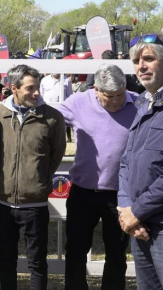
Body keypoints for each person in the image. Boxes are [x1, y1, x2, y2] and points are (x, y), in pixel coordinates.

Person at [59, 64, 136, 290]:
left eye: (119, 94)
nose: (115, 101)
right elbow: (49, 123)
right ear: (96, 90)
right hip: (83, 191)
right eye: (109, 96)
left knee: (117, 252)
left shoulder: (137, 102)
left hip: (120, 194)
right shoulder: (77, 102)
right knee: (75, 250)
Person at [0, 64, 67, 290]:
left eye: (38, 88)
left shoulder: (52, 118)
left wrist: (38, 179)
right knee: (6, 262)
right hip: (3, 203)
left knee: (37, 263)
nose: (36, 93)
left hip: (35, 205)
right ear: (14, 88)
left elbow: (56, 155)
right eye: (30, 88)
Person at [118, 34, 163, 289]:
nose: (141, 66)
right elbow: (126, 161)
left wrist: (136, 211)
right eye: (136, 60)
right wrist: (126, 209)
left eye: (148, 58)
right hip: (139, 225)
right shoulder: (143, 103)